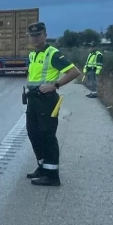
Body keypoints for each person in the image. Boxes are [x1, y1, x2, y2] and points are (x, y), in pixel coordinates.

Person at [25, 22, 81, 186]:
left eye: (38, 35)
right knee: (33, 133)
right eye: (32, 35)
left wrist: (55, 85)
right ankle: (42, 167)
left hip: (47, 100)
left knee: (47, 136)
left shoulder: (53, 54)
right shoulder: (32, 55)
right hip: (34, 100)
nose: (35, 38)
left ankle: (52, 175)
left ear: (45, 35)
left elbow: (74, 72)